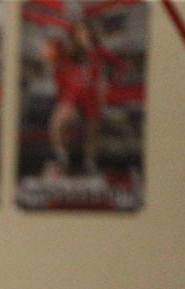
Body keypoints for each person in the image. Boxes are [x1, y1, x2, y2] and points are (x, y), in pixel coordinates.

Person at [46, 21, 125, 175]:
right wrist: (62, 93)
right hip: (72, 96)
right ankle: (62, 156)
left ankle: (90, 163)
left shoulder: (99, 51)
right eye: (79, 33)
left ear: (91, 33)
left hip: (92, 96)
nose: (82, 36)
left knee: (92, 132)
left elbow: (120, 66)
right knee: (57, 124)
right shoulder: (70, 52)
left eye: (85, 32)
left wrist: (110, 82)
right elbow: (58, 71)